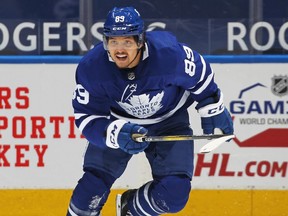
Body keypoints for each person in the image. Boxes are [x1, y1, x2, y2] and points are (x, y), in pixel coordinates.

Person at [67, 6, 234, 216]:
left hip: (169, 121)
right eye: (113, 41)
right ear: (105, 42)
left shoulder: (168, 54)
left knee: (174, 195)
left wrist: (212, 107)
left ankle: (131, 208)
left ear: (140, 41)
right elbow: (87, 116)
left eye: (127, 42)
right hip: (119, 122)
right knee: (89, 191)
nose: (119, 49)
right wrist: (114, 133)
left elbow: (199, 74)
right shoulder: (92, 68)